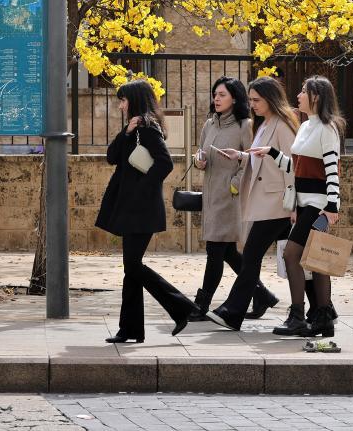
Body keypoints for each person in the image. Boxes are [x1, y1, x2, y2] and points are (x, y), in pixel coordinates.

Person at [95, 79, 197, 343]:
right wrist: (126, 132)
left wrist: (140, 191)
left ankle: (182, 307)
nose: (120, 106)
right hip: (131, 208)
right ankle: (130, 329)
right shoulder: (134, 128)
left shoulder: (149, 128)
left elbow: (165, 163)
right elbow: (111, 157)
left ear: (135, 100)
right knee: (131, 268)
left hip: (141, 209)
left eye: (123, 100)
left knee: (132, 266)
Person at [249, 75, 344, 338]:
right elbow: (297, 167)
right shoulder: (305, 126)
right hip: (303, 203)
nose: (298, 95)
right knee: (316, 259)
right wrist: (272, 153)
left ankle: (298, 316)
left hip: (319, 206)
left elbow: (332, 170)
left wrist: (332, 206)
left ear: (316, 97)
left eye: (303, 91)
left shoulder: (327, 128)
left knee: (292, 254)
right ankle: (323, 318)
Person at [205, 77, 300, 331]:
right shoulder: (264, 123)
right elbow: (263, 157)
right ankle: (322, 308)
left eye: (257, 100)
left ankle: (232, 311)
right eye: (250, 100)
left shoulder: (282, 125)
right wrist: (241, 155)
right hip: (266, 202)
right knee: (292, 258)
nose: (252, 105)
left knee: (251, 256)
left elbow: (293, 166)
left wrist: (293, 205)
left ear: (271, 99)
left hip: (278, 203)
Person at [187, 77, 278, 321]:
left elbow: (252, 159)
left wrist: (235, 185)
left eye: (222, 95)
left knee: (214, 251)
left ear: (235, 98)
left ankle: (201, 305)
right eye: (215, 94)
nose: (216, 99)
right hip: (211, 196)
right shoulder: (209, 124)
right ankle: (262, 295)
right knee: (227, 252)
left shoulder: (245, 125)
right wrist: (199, 161)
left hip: (230, 197)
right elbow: (201, 153)